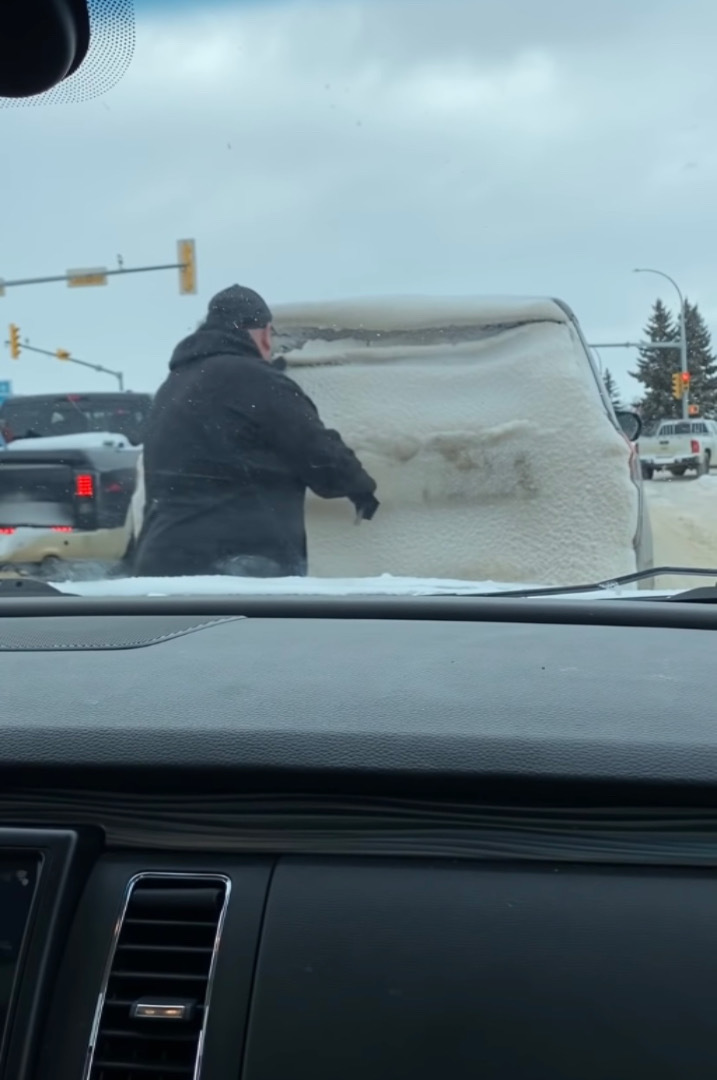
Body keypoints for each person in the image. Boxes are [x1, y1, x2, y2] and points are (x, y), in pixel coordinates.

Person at [133, 284, 379, 578]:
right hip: (236, 563)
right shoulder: (256, 380)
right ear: (264, 334)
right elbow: (317, 453)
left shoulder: (172, 386)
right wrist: (359, 486)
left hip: (162, 560)